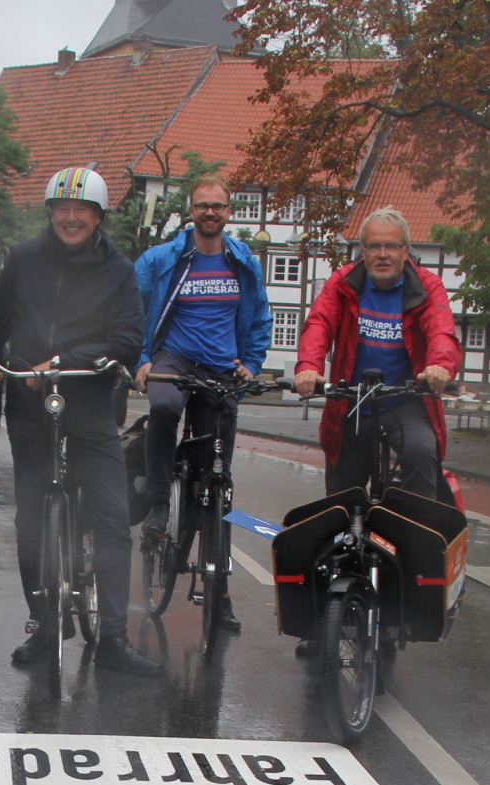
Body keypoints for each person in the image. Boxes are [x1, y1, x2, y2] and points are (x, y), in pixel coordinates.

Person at [0, 167, 161, 677]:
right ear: (51, 212)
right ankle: (45, 625)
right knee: (30, 520)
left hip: (91, 404)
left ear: (98, 216)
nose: (71, 217)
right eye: (62, 208)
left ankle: (114, 639)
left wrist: (64, 359)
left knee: (111, 520)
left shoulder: (119, 270)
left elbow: (126, 339)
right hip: (29, 408)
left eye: (81, 210)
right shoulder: (24, 259)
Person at [131, 174, 273, 634]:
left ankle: (218, 589)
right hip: (173, 359)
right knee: (166, 409)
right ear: (190, 211)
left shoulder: (242, 261)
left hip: (220, 368)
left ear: (229, 212)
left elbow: (259, 317)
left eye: (218, 206)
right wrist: (142, 360)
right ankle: (156, 504)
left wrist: (251, 363)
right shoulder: (165, 258)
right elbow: (132, 310)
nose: (210, 213)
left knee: (216, 480)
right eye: (202, 206)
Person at [292, 207, 461, 499]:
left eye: (391, 246)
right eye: (374, 246)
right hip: (352, 399)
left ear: (406, 250)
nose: (383, 254)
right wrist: (309, 366)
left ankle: (416, 533)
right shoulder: (343, 283)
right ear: (363, 250)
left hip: (404, 400)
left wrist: (440, 366)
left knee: (422, 453)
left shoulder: (427, 285)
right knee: (341, 498)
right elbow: (319, 323)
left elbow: (441, 329)